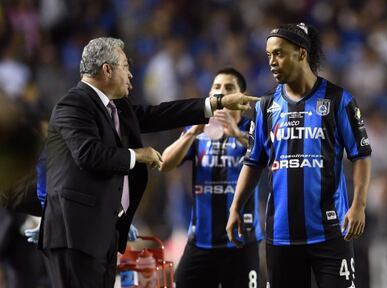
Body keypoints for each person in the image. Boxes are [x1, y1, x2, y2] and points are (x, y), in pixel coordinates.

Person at [38, 37, 258, 288]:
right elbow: (89, 154)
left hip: (101, 235)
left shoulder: (116, 107)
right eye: (125, 66)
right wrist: (137, 155)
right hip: (73, 235)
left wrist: (215, 103)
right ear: (107, 70)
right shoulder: (73, 104)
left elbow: (158, 114)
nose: (131, 74)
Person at [226, 23, 372, 288]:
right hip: (281, 234)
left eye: (279, 53)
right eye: (269, 55)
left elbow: (361, 154)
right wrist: (236, 207)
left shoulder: (339, 100)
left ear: (301, 53)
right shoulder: (265, 106)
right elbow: (253, 161)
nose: (272, 61)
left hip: (330, 231)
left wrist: (359, 204)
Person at [160, 67, 263, 288]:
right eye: (216, 87)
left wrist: (237, 134)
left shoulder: (253, 128)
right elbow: (165, 164)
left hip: (241, 242)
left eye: (229, 87)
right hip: (200, 241)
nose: (222, 92)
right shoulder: (197, 130)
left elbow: (268, 154)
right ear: (209, 95)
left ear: (241, 96)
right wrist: (191, 133)